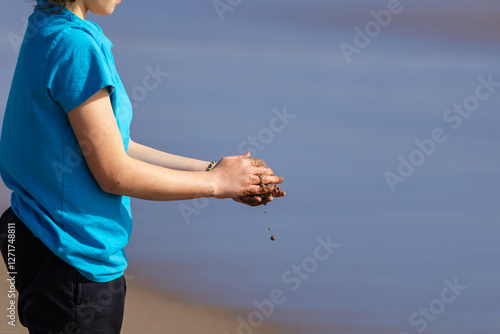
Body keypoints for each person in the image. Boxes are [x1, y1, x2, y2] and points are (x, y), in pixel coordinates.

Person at [0, 0, 285, 333]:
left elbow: (118, 145)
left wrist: (213, 170)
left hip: (38, 236)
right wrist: (218, 184)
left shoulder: (46, 26)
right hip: (73, 260)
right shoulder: (74, 46)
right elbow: (114, 173)